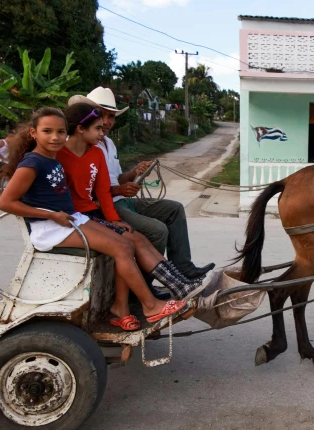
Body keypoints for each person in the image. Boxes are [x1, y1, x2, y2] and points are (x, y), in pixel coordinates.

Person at [0, 107, 189, 330]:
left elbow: (97, 190)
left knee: (126, 241)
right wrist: (50, 215)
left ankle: (122, 308)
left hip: (70, 220)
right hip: (51, 228)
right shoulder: (33, 163)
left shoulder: (51, 158)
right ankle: (151, 305)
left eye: (60, 132)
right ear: (33, 133)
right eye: (47, 131)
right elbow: (6, 202)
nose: (55, 137)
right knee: (122, 247)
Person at [57, 102, 206, 302]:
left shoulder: (101, 149)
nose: (106, 126)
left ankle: (181, 276)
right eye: (100, 124)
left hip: (103, 207)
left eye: (110, 118)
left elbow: (104, 187)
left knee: (158, 220)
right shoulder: (58, 155)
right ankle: (147, 292)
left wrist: (134, 175)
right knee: (150, 233)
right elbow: (92, 194)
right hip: (82, 215)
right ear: (81, 128)